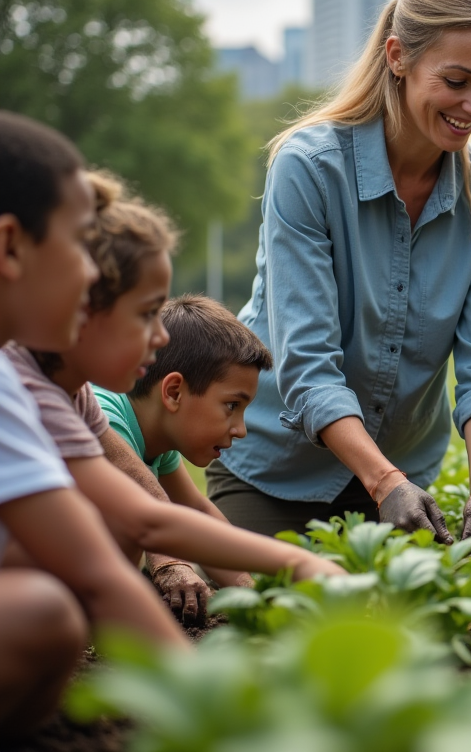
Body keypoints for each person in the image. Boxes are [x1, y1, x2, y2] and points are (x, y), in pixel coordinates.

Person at [206, 0, 471, 552]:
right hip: (275, 471)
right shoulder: (308, 169)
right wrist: (382, 480)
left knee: (416, 633)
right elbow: (306, 361)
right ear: (397, 57)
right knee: (268, 622)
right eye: (457, 80)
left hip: (408, 487)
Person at [4, 170, 345, 626]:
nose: (160, 335)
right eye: (146, 314)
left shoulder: (76, 397)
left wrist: (254, 591)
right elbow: (147, 521)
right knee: (90, 563)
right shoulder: (69, 395)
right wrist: (297, 565)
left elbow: (177, 510)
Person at [0, 112, 188, 738]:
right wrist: (219, 715)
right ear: (9, 246)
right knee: (44, 608)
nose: (92, 272)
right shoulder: (23, 379)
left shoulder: (31, 378)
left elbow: (141, 502)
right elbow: (135, 531)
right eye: (80, 242)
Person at [94, 293, 275, 619]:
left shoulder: (157, 442)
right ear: (174, 392)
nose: (241, 429)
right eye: (232, 406)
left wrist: (252, 594)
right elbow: (140, 504)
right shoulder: (103, 412)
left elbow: (197, 512)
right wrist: (169, 562)